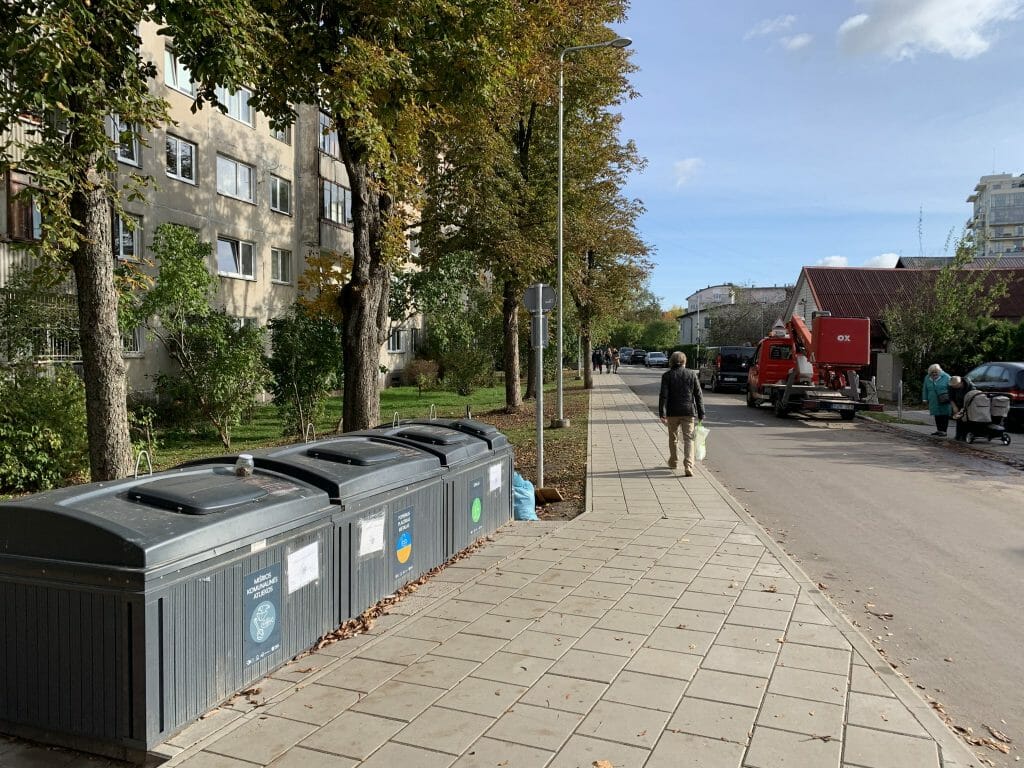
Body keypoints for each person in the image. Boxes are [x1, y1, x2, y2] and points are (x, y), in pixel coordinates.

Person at [658, 351, 705, 476]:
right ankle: (688, 465)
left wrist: (662, 413)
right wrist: (701, 413)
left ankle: (673, 461)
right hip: (688, 411)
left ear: (671, 361)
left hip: (672, 412)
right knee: (689, 439)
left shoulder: (667, 375)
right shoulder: (691, 374)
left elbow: (663, 395)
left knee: (673, 437)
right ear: (684, 361)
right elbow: (698, 395)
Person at [921, 363, 952, 436]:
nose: (934, 373)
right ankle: (939, 430)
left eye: (936, 372)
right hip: (933, 399)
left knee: (944, 415)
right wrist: (924, 398)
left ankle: (944, 431)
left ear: (939, 371)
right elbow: (925, 389)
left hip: (944, 398)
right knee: (936, 414)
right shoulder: (927, 378)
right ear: (930, 372)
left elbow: (951, 388)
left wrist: (951, 397)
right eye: (932, 372)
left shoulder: (946, 377)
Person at [948, 375, 976, 441]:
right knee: (958, 419)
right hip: (958, 403)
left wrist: (964, 408)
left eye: (955, 385)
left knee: (966, 419)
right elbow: (951, 397)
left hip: (968, 404)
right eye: (952, 386)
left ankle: (965, 436)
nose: (953, 387)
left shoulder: (970, 386)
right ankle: (958, 435)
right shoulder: (951, 386)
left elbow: (973, 396)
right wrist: (954, 406)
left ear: (961, 383)